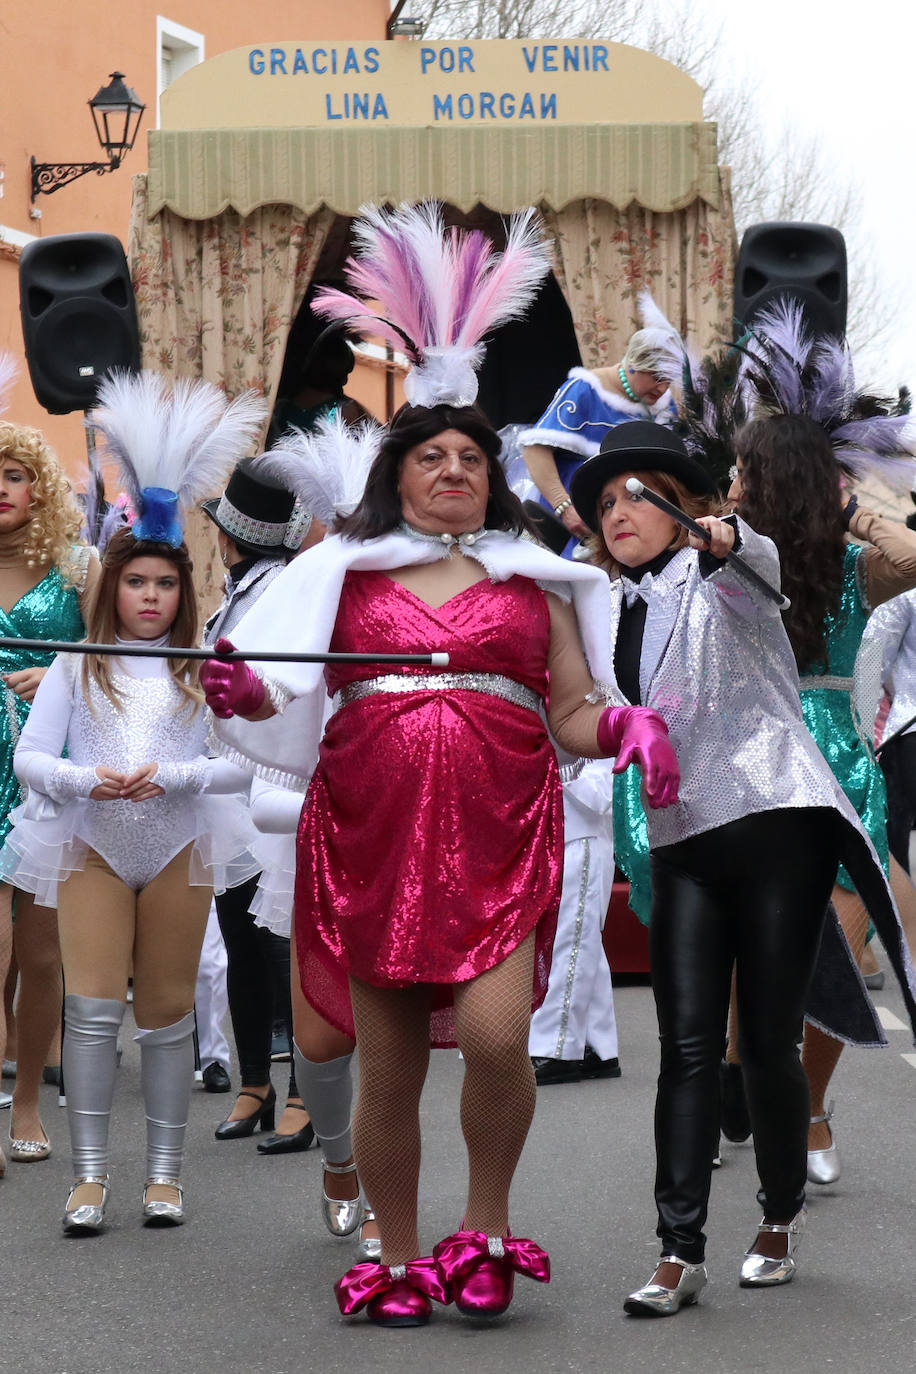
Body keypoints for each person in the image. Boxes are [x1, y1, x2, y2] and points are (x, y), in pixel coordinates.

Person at [202, 401, 679, 1327]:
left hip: (499, 832)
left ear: (491, 478)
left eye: (470, 456)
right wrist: (247, 688)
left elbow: (572, 709)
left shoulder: (536, 579)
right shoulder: (336, 572)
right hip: (369, 835)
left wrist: (624, 722)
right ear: (398, 475)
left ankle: (485, 1231)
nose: (454, 469)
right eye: (432, 456)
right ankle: (399, 1252)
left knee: (500, 1038)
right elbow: (282, 689)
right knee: (393, 1069)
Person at [567, 419, 916, 1315]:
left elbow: (755, 564)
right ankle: (677, 1251)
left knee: (765, 1040)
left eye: (635, 495)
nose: (616, 512)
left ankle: (778, 1218)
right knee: (685, 1048)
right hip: (685, 837)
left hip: (778, 823)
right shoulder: (619, 606)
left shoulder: (727, 569)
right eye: (603, 501)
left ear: (685, 506)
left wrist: (731, 536)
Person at [0, 371, 263, 1231]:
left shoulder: (203, 667)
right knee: (92, 1006)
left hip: (181, 843)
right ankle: (87, 1179)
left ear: (184, 595)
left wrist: (174, 777)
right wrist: (86, 781)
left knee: (165, 1011)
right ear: (112, 587)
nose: (150, 597)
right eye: (136, 583)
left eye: (165, 586)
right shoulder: (80, 660)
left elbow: (237, 767)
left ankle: (163, 1174)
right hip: (92, 844)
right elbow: (36, 758)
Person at [729, 411, 916, 1184]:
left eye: (749, 470)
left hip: (836, 762)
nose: (736, 482)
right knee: (746, 951)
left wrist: (849, 509)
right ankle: (739, 1066)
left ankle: (810, 1107)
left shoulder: (852, 567)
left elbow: (912, 555)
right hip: (742, 759)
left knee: (833, 950)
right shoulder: (726, 556)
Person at [201, 458, 316, 1151]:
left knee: (282, 943)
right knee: (241, 934)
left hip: (271, 784)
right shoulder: (236, 590)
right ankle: (255, 1082)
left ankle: (303, 1087)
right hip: (227, 787)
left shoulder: (283, 592)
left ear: (229, 535)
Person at [0, 417, 100, 1173]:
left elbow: (118, 657)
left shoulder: (79, 565)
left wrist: (62, 667)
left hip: (42, 765)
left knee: (41, 952)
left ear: (38, 487)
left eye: (12, 473)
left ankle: (29, 1100)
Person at [519, 304, 675, 556]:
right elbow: (535, 450)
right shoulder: (585, 389)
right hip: (571, 529)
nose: (663, 387)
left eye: (669, 379)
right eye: (656, 375)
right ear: (634, 363)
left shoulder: (664, 408)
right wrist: (565, 508)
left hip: (630, 533)